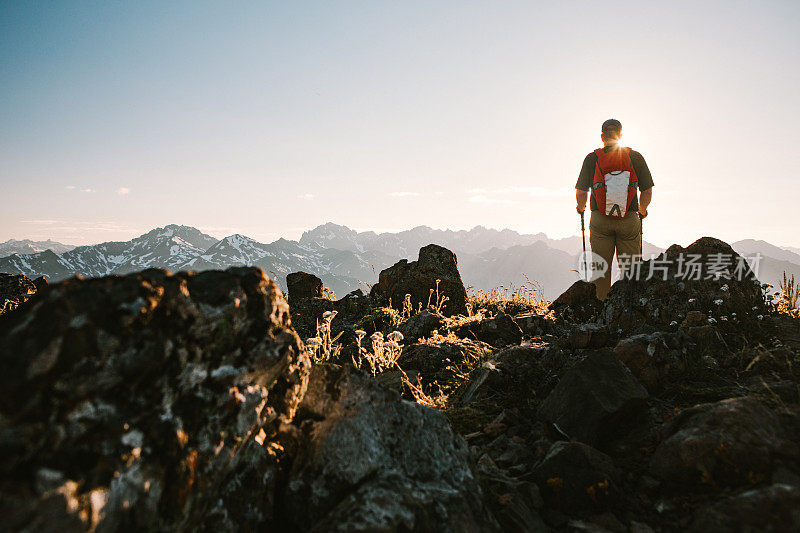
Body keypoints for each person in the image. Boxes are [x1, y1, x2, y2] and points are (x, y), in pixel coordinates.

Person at [575, 119, 654, 300]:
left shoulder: (592, 158)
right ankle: (628, 309)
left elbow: (581, 192)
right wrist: (642, 211)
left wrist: (581, 208)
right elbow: (647, 191)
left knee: (601, 270)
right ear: (621, 135)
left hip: (600, 220)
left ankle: (601, 311)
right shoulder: (635, 157)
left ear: (602, 136)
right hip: (629, 218)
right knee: (631, 270)